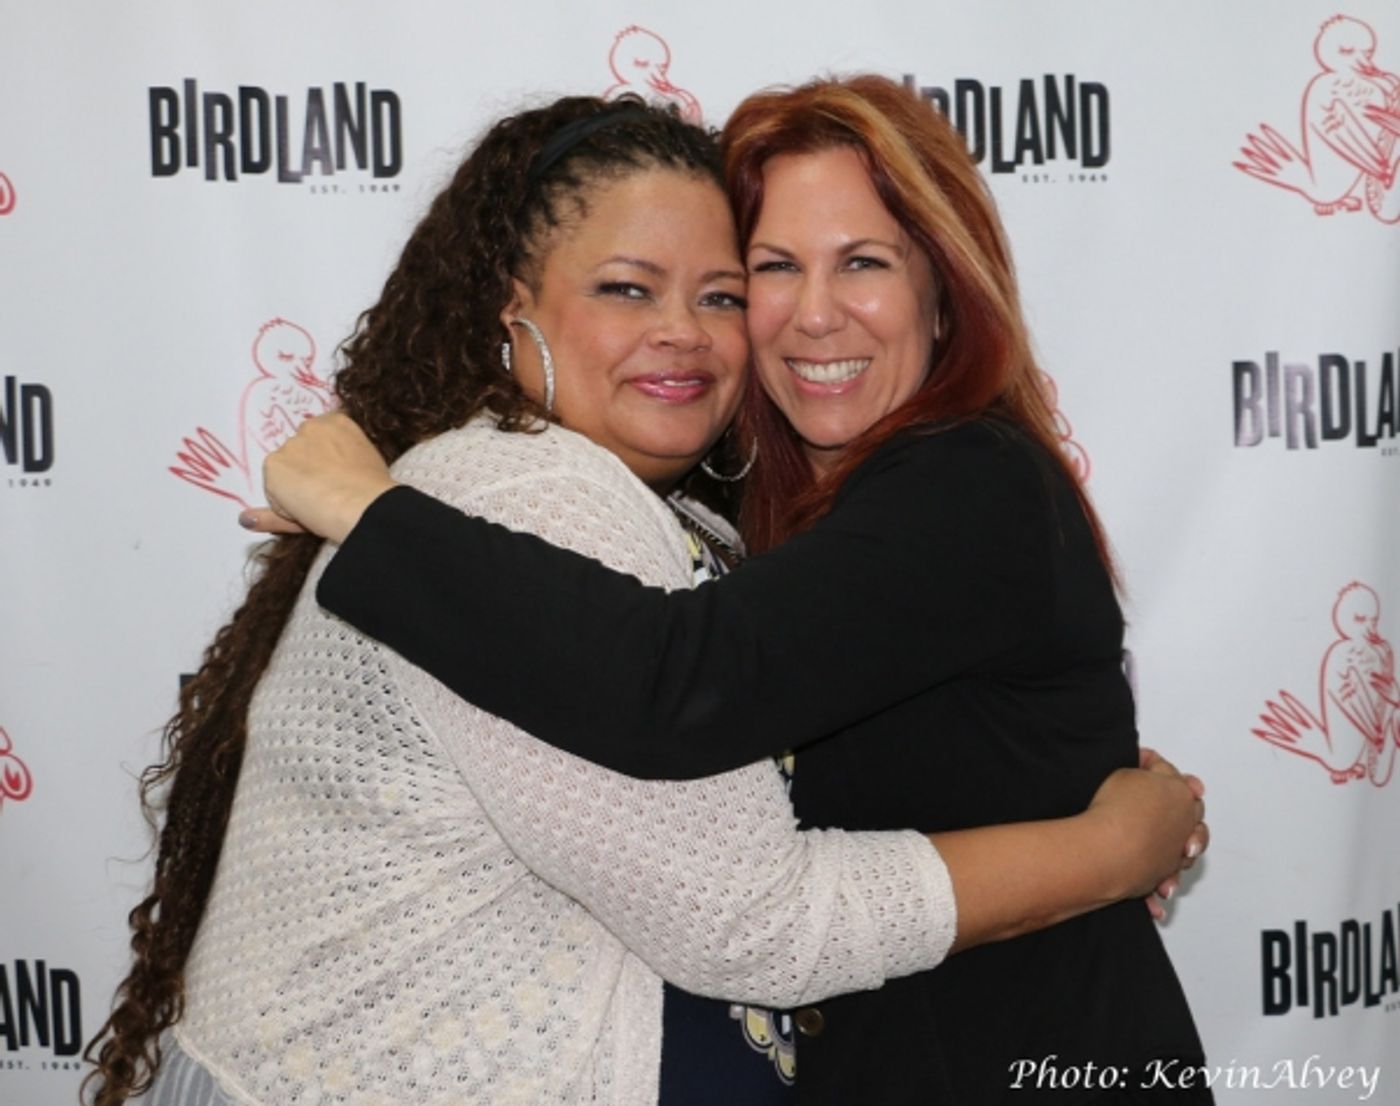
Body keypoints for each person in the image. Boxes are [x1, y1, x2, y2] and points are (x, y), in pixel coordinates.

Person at [88, 95, 1202, 1106]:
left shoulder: (959, 479)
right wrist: (1104, 848)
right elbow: (722, 808)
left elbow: (681, 682)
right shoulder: (560, 494)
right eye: (768, 268)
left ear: (942, 290)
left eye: (858, 261)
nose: (808, 314)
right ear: (510, 309)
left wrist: (376, 512)